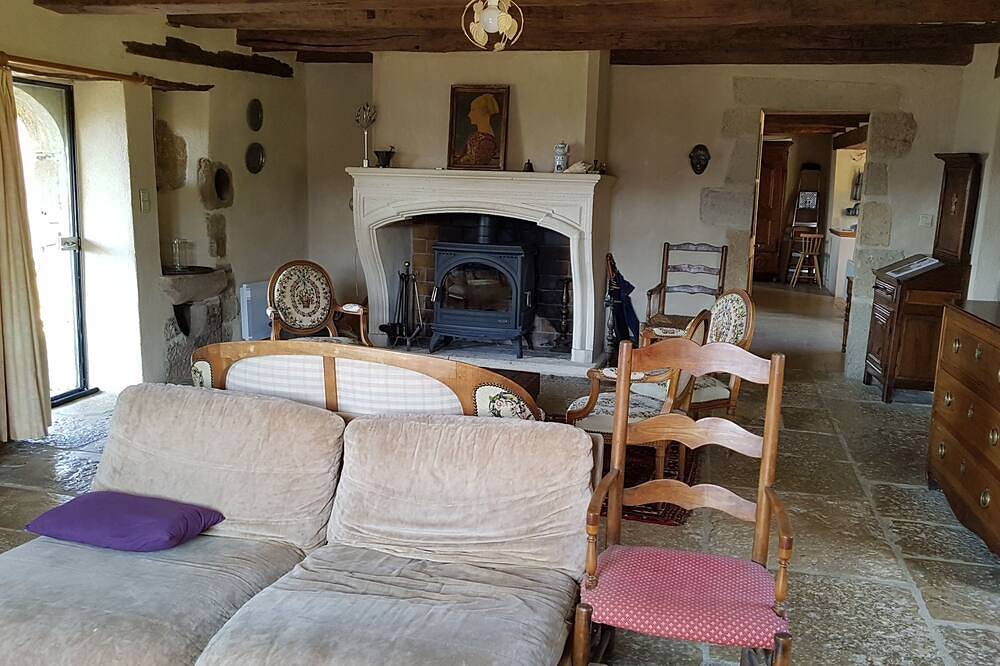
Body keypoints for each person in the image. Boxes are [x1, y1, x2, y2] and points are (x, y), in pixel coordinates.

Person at [453, 93, 500, 166]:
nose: (469, 114)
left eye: (473, 110)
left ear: (484, 113)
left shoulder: (486, 142)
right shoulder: (474, 136)